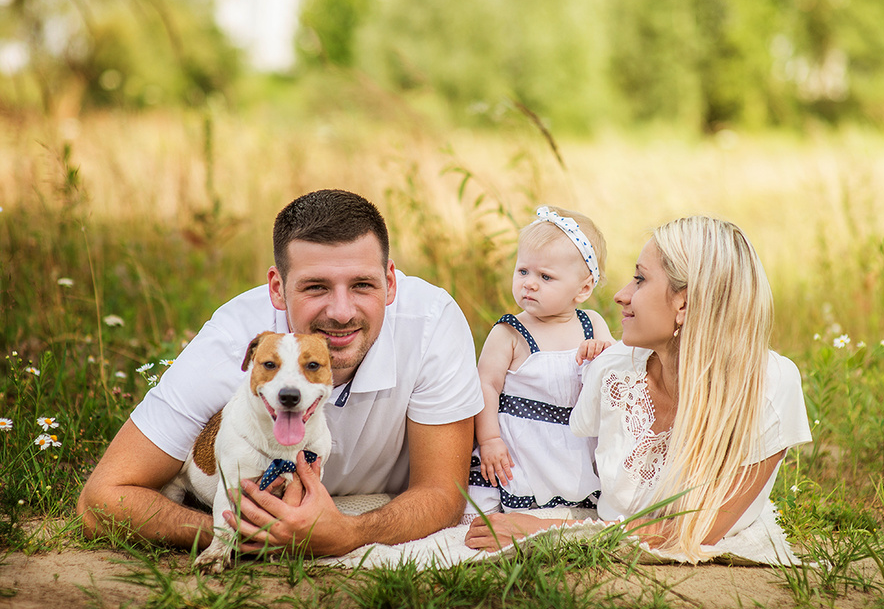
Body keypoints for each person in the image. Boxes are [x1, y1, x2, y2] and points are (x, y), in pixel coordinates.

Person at [77, 189, 484, 557]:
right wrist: (238, 533)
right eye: (315, 287)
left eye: (362, 284)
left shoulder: (431, 322)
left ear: (391, 282)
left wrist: (349, 533)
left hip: (368, 505)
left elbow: (443, 493)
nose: (341, 312)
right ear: (277, 287)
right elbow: (102, 500)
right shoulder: (233, 343)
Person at [465, 216, 812, 561]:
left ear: (684, 304)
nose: (620, 295)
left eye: (640, 280)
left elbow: (691, 531)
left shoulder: (767, 383)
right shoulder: (612, 368)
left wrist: (544, 530)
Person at [464, 206, 615, 520]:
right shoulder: (509, 332)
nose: (529, 283)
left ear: (583, 288)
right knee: (487, 501)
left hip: (573, 442)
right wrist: (489, 439)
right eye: (523, 272)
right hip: (521, 444)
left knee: (576, 502)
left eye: (545, 277)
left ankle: (565, 510)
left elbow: (614, 375)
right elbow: (486, 385)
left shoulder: (593, 324)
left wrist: (601, 352)